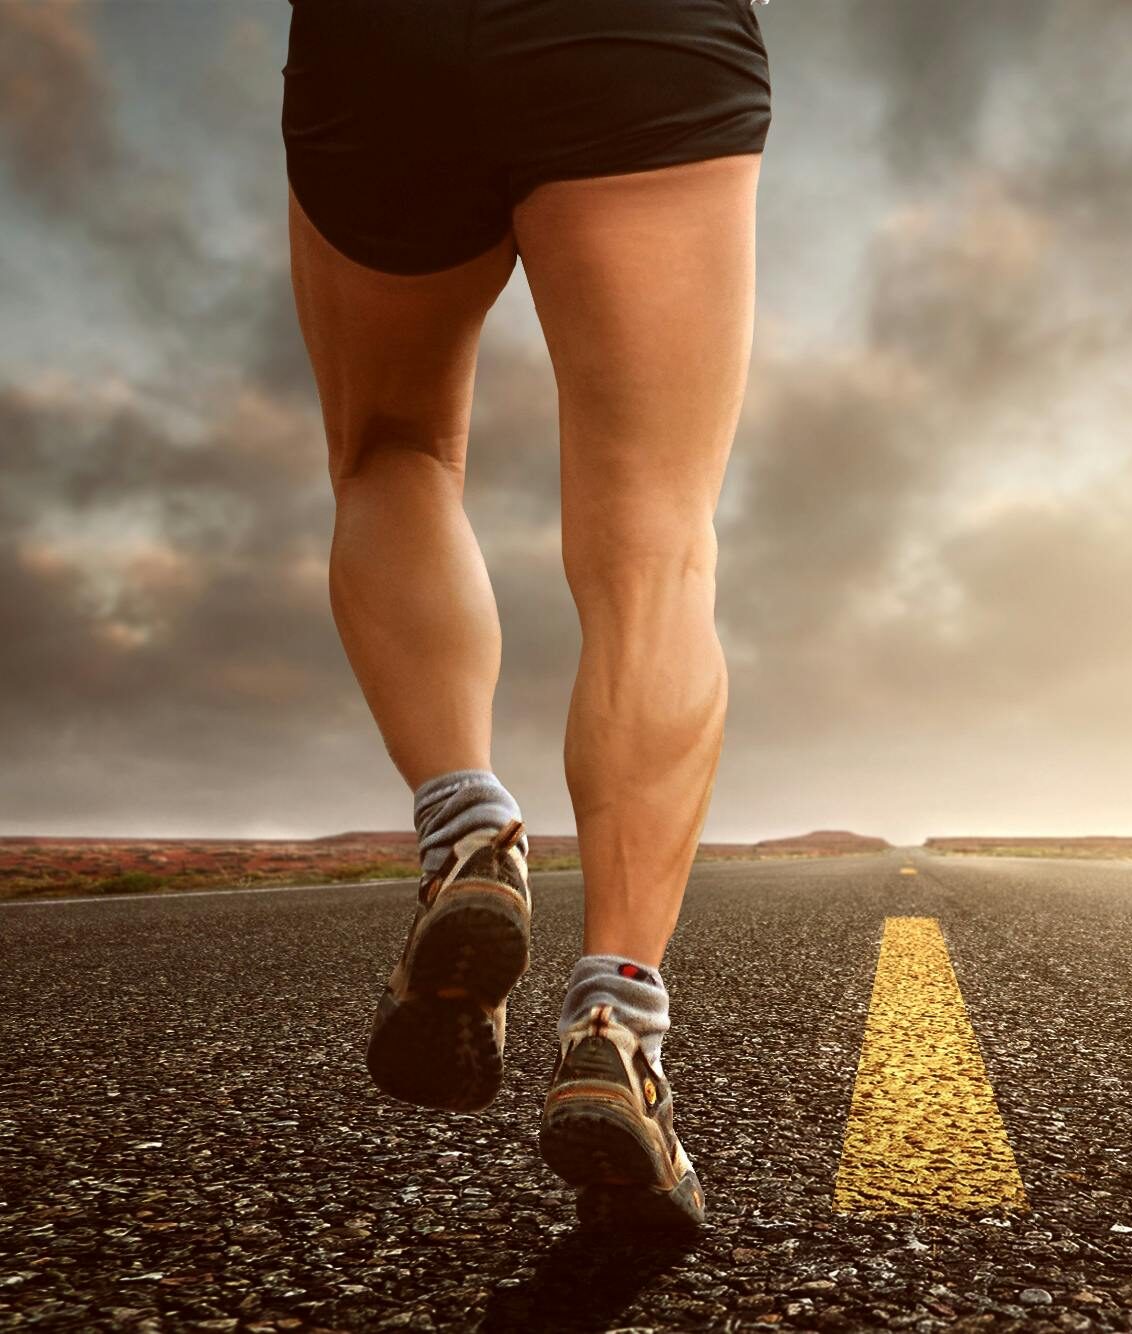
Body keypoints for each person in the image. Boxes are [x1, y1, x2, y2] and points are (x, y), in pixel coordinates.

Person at [281, 0, 771, 1235]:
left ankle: (468, 823)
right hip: (640, 38)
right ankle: (616, 1024)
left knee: (392, 451)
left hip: (375, 40)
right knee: (657, 548)